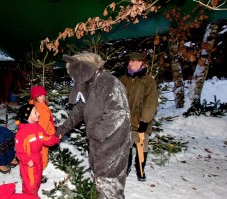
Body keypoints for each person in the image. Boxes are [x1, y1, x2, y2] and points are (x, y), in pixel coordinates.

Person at [55, 53, 131, 199]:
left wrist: (96, 133)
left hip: (112, 145)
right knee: (101, 184)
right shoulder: (89, 85)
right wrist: (62, 129)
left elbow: (118, 112)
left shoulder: (108, 82)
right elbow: (79, 110)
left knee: (111, 188)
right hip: (99, 145)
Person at [119, 52, 158, 181]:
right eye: (130, 61)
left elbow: (151, 102)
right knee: (126, 146)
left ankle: (140, 170)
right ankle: (126, 167)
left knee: (141, 146)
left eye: (135, 61)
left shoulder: (148, 81)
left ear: (142, 63)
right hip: (126, 122)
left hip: (141, 121)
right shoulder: (123, 79)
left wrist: (145, 120)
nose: (131, 63)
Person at [15, 104, 60, 198]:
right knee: (29, 183)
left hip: (38, 159)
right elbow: (19, 152)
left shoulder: (38, 127)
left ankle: (33, 195)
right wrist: (27, 160)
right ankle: (29, 196)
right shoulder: (21, 133)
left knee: (37, 180)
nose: (38, 114)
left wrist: (55, 138)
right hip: (28, 163)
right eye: (35, 112)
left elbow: (46, 139)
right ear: (27, 116)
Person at [29, 85, 55, 170]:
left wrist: (51, 131)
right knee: (36, 153)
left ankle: (42, 168)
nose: (42, 97)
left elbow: (49, 120)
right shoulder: (33, 108)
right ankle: (36, 169)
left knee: (44, 152)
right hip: (37, 135)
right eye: (40, 96)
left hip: (45, 134)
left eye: (43, 95)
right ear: (35, 97)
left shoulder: (45, 106)